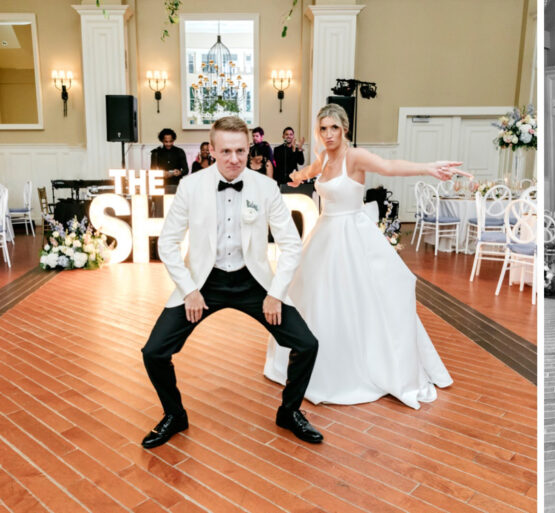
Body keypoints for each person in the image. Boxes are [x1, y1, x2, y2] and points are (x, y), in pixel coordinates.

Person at [263, 104, 469, 409]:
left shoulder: (354, 156)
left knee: (359, 298)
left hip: (352, 234)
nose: (329, 134)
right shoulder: (324, 157)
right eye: (323, 129)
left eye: (334, 127)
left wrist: (427, 167)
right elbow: (310, 172)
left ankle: (356, 367)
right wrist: (296, 177)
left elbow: (388, 166)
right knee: (317, 297)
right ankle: (317, 364)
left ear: (345, 128)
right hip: (325, 235)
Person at [140, 116, 323, 449]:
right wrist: (189, 290)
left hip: (253, 280)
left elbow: (291, 243)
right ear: (211, 150)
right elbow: (167, 243)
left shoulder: (265, 187)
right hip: (202, 283)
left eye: (240, 150)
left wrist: (276, 293)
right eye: (226, 151)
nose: (234, 159)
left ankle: (289, 411)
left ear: (249, 148)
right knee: (154, 352)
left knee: (307, 344)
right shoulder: (190, 186)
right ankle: (174, 414)